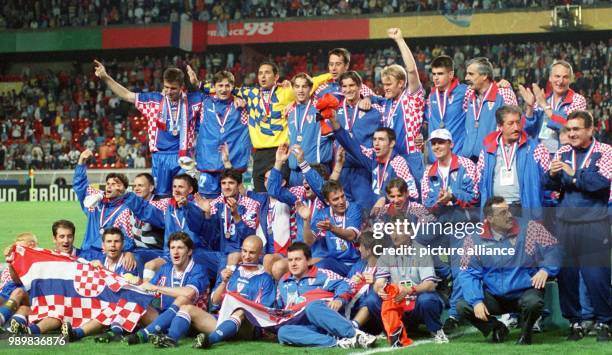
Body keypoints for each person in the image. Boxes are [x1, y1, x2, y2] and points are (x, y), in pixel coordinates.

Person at [543, 111, 611, 342]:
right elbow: (548, 184)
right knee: (567, 277)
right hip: (565, 223)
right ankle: (575, 321)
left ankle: (604, 321)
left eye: (576, 129)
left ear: (590, 130)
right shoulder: (562, 152)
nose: (571, 133)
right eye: (568, 129)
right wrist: (552, 175)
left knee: (596, 276)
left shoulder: (605, 152)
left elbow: (600, 184)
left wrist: (573, 177)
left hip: (594, 222)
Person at [457, 196, 561, 345]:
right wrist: (476, 301)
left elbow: (553, 248)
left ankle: (526, 333)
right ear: (490, 219)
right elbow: (467, 272)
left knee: (533, 302)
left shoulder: (530, 228)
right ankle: (497, 328)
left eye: (508, 210)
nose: (509, 215)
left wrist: (546, 270)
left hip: (524, 291)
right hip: (494, 296)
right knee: (463, 306)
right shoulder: (473, 239)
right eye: (503, 213)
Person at [94, 61, 201, 196]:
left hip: (185, 156)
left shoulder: (194, 100)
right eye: (166, 87)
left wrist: (197, 84)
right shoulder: (153, 100)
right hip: (160, 157)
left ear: (182, 87)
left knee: (188, 196)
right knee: (162, 198)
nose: (169, 91)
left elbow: (217, 95)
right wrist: (105, 77)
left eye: (173, 88)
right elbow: (127, 95)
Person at [275, 242, 377, 349]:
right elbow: (278, 308)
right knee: (283, 332)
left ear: (309, 260)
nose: (293, 264)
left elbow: (346, 284)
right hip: (305, 326)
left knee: (312, 306)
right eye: (290, 260)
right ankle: (337, 342)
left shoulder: (323, 275)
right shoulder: (283, 282)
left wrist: (339, 299)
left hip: (328, 321)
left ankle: (355, 334)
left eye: (298, 259)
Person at [123, 173, 216, 280]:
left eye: (180, 187)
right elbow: (147, 211)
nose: (176, 190)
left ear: (190, 189)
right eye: (174, 186)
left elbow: (196, 224)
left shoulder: (198, 206)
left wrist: (187, 206)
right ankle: (148, 292)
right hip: (171, 255)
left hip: (193, 255)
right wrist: (126, 195)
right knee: (149, 265)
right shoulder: (169, 208)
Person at [189, 236, 276, 349]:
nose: (247, 256)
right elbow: (215, 301)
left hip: (248, 326)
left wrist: (242, 302)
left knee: (241, 310)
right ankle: (167, 338)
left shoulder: (266, 278)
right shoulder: (232, 271)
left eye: (252, 253)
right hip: (223, 318)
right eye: (244, 251)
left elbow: (264, 312)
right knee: (188, 309)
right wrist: (224, 282)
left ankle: (209, 340)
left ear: (260, 254)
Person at [373, 221, 448, 346]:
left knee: (427, 299)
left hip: (417, 301)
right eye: (392, 231)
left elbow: (430, 284)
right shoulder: (386, 254)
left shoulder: (422, 251)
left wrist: (410, 290)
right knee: (373, 300)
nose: (394, 236)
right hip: (398, 302)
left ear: (410, 232)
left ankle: (436, 330)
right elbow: (379, 282)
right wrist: (379, 289)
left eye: (399, 231)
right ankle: (391, 329)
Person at [126, 232, 209, 345]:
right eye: (172, 248)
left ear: (189, 251)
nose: (175, 252)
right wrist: (137, 283)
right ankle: (117, 331)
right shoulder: (165, 268)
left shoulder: (198, 270)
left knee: (183, 299)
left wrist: (156, 287)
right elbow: (149, 290)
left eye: (180, 248)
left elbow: (189, 293)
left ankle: (146, 334)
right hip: (165, 317)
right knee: (138, 303)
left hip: (189, 321)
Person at [61, 228, 142, 342]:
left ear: (122, 244)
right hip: (103, 304)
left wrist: (103, 271)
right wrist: (91, 266)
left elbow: (126, 286)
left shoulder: (129, 261)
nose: (113, 245)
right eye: (109, 242)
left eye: (116, 241)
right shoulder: (98, 258)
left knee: (110, 309)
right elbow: (74, 261)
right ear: (103, 245)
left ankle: (76, 333)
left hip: (125, 306)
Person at [369, 28, 426, 190]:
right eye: (383, 84)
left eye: (389, 84)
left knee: (415, 199)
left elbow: (411, 70)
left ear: (401, 83)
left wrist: (400, 40)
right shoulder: (384, 104)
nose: (384, 88)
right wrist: (366, 99)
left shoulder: (411, 98)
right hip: (390, 159)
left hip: (411, 157)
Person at [476, 105, 551, 219]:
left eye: (518, 122)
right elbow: (481, 181)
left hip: (524, 209)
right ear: (500, 126)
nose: (516, 127)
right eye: (510, 123)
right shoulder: (487, 151)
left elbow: (548, 180)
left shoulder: (536, 148)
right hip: (497, 210)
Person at [328, 111, 418, 203]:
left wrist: (385, 199)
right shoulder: (373, 158)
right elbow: (351, 145)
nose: (376, 143)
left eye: (381, 139)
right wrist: (334, 122)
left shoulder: (398, 163)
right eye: (374, 139)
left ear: (391, 143)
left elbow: (413, 194)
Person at [191, 70, 250, 198]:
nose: (224, 89)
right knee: (207, 208)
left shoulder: (243, 106)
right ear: (214, 87)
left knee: (235, 205)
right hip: (208, 165)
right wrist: (197, 83)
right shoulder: (204, 102)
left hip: (234, 166)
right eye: (220, 85)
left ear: (233, 87)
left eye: (227, 86)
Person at [192, 169, 260, 273]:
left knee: (229, 259)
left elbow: (249, 236)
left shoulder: (251, 204)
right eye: (224, 183)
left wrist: (236, 215)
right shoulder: (215, 203)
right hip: (220, 253)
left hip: (241, 253)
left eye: (231, 183)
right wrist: (207, 214)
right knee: (193, 255)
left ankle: (221, 287)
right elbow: (210, 236)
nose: (227, 187)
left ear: (239, 185)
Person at [73, 149, 137, 253]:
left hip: (107, 257)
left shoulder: (126, 211)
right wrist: (81, 162)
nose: (109, 186)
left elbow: (128, 240)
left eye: (114, 184)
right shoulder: (96, 199)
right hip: (86, 251)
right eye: (108, 183)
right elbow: (80, 186)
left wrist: (117, 251)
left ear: (122, 188)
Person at [335, 71, 383, 210]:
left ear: (360, 86)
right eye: (344, 86)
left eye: (352, 85)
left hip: (363, 170)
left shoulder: (374, 111)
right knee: (343, 211)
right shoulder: (335, 110)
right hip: (342, 169)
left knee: (364, 211)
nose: (348, 89)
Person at [519, 60, 587, 153]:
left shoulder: (578, 100)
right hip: (540, 155)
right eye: (557, 76)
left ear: (571, 79)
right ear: (550, 78)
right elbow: (528, 130)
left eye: (565, 77)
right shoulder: (543, 98)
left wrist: (545, 106)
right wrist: (530, 107)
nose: (560, 81)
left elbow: (568, 126)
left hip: (564, 155)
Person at [302, 180, 362, 277]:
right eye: (336, 199)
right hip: (335, 263)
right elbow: (309, 242)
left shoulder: (354, 208)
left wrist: (332, 228)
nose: (341, 201)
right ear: (327, 201)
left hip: (356, 262)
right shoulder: (323, 214)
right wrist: (306, 221)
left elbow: (351, 235)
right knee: (312, 271)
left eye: (342, 196)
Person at [462, 57, 518, 161]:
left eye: (471, 74)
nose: (466, 77)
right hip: (469, 159)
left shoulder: (503, 94)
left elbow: (514, 127)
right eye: (467, 73)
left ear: (484, 76)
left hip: (493, 158)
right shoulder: (468, 94)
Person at [285, 72, 333, 187]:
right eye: (297, 86)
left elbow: (334, 138)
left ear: (311, 88)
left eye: (304, 86)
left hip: (315, 171)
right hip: (294, 173)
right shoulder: (290, 112)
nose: (300, 90)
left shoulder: (320, 110)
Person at [425, 56, 470, 163]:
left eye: (440, 74)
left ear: (450, 74)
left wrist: (501, 85)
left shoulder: (464, 92)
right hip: (435, 159)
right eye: (434, 74)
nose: (435, 78)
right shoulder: (431, 96)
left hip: (457, 157)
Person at [346, 232, 384, 335]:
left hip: (374, 317)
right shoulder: (359, 265)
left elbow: (391, 290)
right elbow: (345, 285)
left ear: (369, 250)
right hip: (354, 311)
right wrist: (351, 281)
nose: (359, 249)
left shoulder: (385, 267)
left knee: (372, 297)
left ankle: (352, 328)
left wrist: (376, 282)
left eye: (361, 246)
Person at [0, 233, 38, 328]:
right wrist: (10, 262)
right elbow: (15, 280)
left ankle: (2, 319)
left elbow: (20, 281)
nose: (17, 250)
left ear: (32, 245)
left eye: (20, 247)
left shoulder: (39, 260)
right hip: (10, 291)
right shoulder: (15, 259)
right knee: (21, 307)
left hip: (28, 293)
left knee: (18, 293)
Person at [130, 173, 165, 263]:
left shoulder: (161, 204)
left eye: (140, 185)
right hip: (137, 250)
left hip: (156, 251)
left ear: (151, 188)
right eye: (135, 185)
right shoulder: (132, 205)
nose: (136, 188)